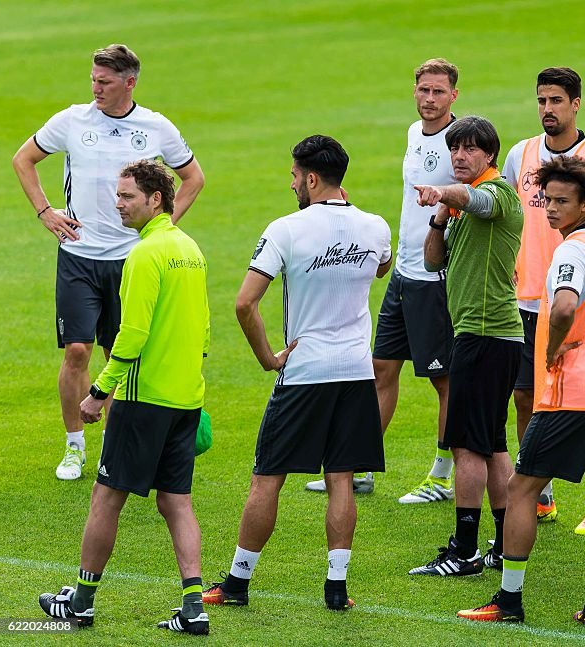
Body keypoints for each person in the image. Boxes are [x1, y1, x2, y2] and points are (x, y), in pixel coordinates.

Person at [457, 156, 585, 628]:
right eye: (546, 199)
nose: (549, 209)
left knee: (521, 488)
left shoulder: (571, 251)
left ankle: (508, 601)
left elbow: (565, 307)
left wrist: (551, 349)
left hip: (574, 393)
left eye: (560, 201)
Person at [204, 136, 390, 612]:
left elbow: (244, 302)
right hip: (355, 371)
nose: (291, 184)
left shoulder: (286, 229)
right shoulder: (375, 227)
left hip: (305, 371)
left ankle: (238, 584)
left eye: (293, 176)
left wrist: (268, 356)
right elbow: (382, 268)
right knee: (342, 479)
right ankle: (336, 587)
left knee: (268, 478)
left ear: (310, 178)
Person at [12, 44, 205, 481]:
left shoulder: (154, 127)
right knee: (77, 350)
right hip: (78, 255)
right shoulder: (72, 120)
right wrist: (46, 212)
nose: (96, 88)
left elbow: (194, 177)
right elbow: (23, 159)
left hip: (129, 260)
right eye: (93, 80)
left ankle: (116, 450)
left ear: (129, 82)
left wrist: (160, 226)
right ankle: (74, 445)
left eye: (105, 81)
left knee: (119, 353)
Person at [37, 160, 210, 634]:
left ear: (156, 199)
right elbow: (204, 331)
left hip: (142, 400)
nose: (117, 204)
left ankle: (81, 603)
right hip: (184, 397)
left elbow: (129, 336)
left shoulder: (145, 255)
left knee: (105, 497)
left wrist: (97, 392)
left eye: (127, 196)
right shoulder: (190, 249)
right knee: (177, 502)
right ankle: (194, 608)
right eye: (118, 195)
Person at [304, 59, 459, 501]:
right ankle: (359, 468)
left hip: (436, 277)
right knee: (380, 368)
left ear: (454, 96)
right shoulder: (414, 133)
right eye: (423, 90)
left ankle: (442, 476)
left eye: (438, 92)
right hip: (405, 272)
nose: (429, 99)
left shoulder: (459, 143)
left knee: (443, 380)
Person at [501, 66, 585, 533]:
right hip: (525, 298)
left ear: (576, 104)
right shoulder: (521, 155)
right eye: (541, 100)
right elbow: (512, 213)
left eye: (556, 100)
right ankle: (543, 496)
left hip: (578, 306)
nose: (547, 110)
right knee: (524, 396)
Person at [408, 116, 523, 577]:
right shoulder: (459, 206)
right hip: (484, 336)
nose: (460, 156)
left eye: (470, 150)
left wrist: (443, 194)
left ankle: (465, 551)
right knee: (492, 444)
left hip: (484, 334)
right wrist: (439, 214)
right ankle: (501, 541)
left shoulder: (497, 194)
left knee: (466, 447)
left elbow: (470, 197)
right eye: (455, 150)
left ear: (489, 156)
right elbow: (433, 258)